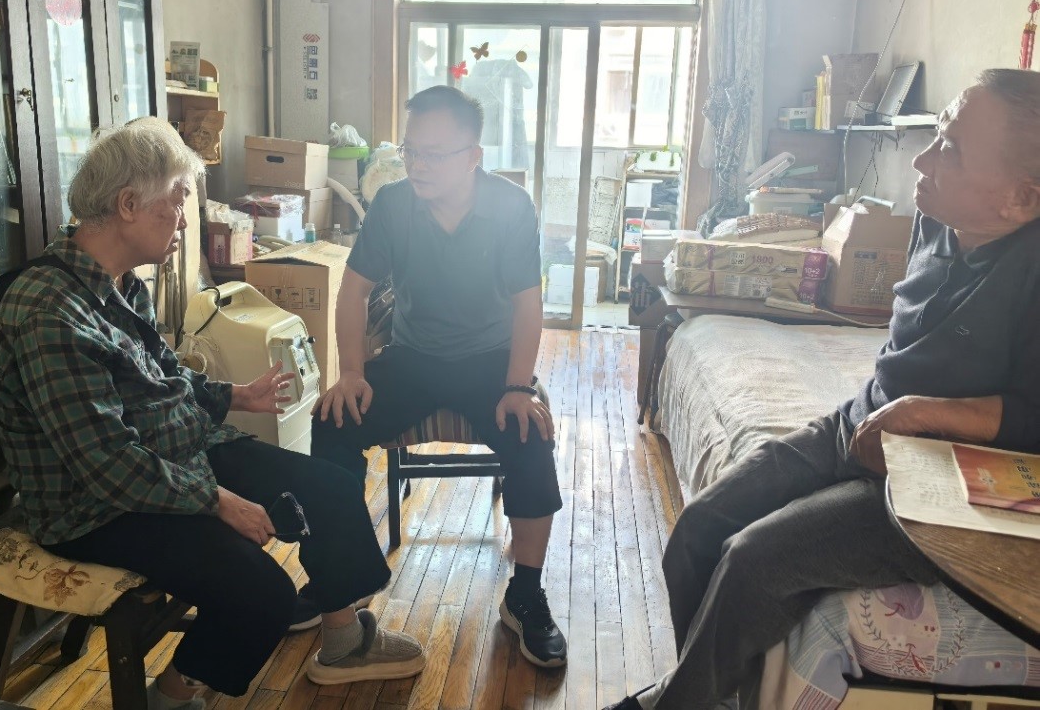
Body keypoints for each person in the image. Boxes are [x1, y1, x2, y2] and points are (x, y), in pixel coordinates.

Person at [603, 68, 1040, 710]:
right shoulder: (937, 218)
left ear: (1020, 199)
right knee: (698, 529)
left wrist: (924, 414)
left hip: (934, 482)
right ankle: (703, 693)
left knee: (753, 560)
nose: (920, 160)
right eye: (937, 135)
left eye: (949, 150)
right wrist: (892, 410)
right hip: (857, 424)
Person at [0, 119, 425, 710]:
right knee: (261, 594)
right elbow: (106, 464)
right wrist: (217, 501)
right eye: (178, 201)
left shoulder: (119, 285)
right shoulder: (49, 313)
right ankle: (169, 697)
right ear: (128, 205)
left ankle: (343, 644)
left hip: (173, 452)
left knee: (331, 488)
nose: (185, 221)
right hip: (95, 505)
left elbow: (162, 377)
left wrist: (234, 396)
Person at [310, 85, 568, 668]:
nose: (418, 165)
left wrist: (518, 387)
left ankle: (525, 595)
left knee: (530, 432)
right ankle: (339, 586)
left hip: (490, 359)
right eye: (411, 151)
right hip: (414, 356)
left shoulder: (510, 206)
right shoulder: (393, 204)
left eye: (435, 153)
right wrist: (350, 373)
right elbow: (354, 291)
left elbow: (529, 304)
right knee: (332, 421)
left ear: (473, 155)